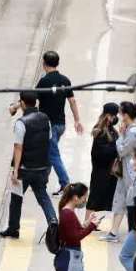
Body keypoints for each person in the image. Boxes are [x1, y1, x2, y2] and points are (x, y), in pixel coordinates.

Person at [1, 91, 60, 239]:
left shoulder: (21, 123)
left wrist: (15, 170)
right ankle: (53, 220)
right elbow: (49, 140)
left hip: (25, 169)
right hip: (42, 167)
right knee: (43, 196)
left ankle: (13, 228)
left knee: (16, 198)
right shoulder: (45, 118)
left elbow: (18, 147)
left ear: (22, 103)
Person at [36, 51, 83, 188]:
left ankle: (65, 183)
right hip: (61, 124)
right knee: (50, 152)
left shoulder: (44, 81)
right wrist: (77, 120)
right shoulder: (65, 80)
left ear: (44, 64)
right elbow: (72, 101)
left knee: (53, 155)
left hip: (48, 125)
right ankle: (42, 180)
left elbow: (32, 98)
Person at [107, 102, 136, 240]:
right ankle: (113, 232)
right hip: (125, 172)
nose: (119, 116)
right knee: (120, 199)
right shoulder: (129, 130)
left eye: (121, 113)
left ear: (126, 115)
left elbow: (122, 151)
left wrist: (120, 136)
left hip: (131, 172)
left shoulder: (133, 132)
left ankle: (135, 232)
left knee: (131, 202)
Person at [87, 103, 121, 226]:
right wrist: (117, 148)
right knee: (95, 197)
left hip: (109, 171)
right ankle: (88, 223)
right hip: (100, 171)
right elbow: (99, 153)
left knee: (104, 199)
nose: (116, 118)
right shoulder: (100, 131)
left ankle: (95, 224)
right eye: (114, 115)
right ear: (108, 115)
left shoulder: (111, 130)